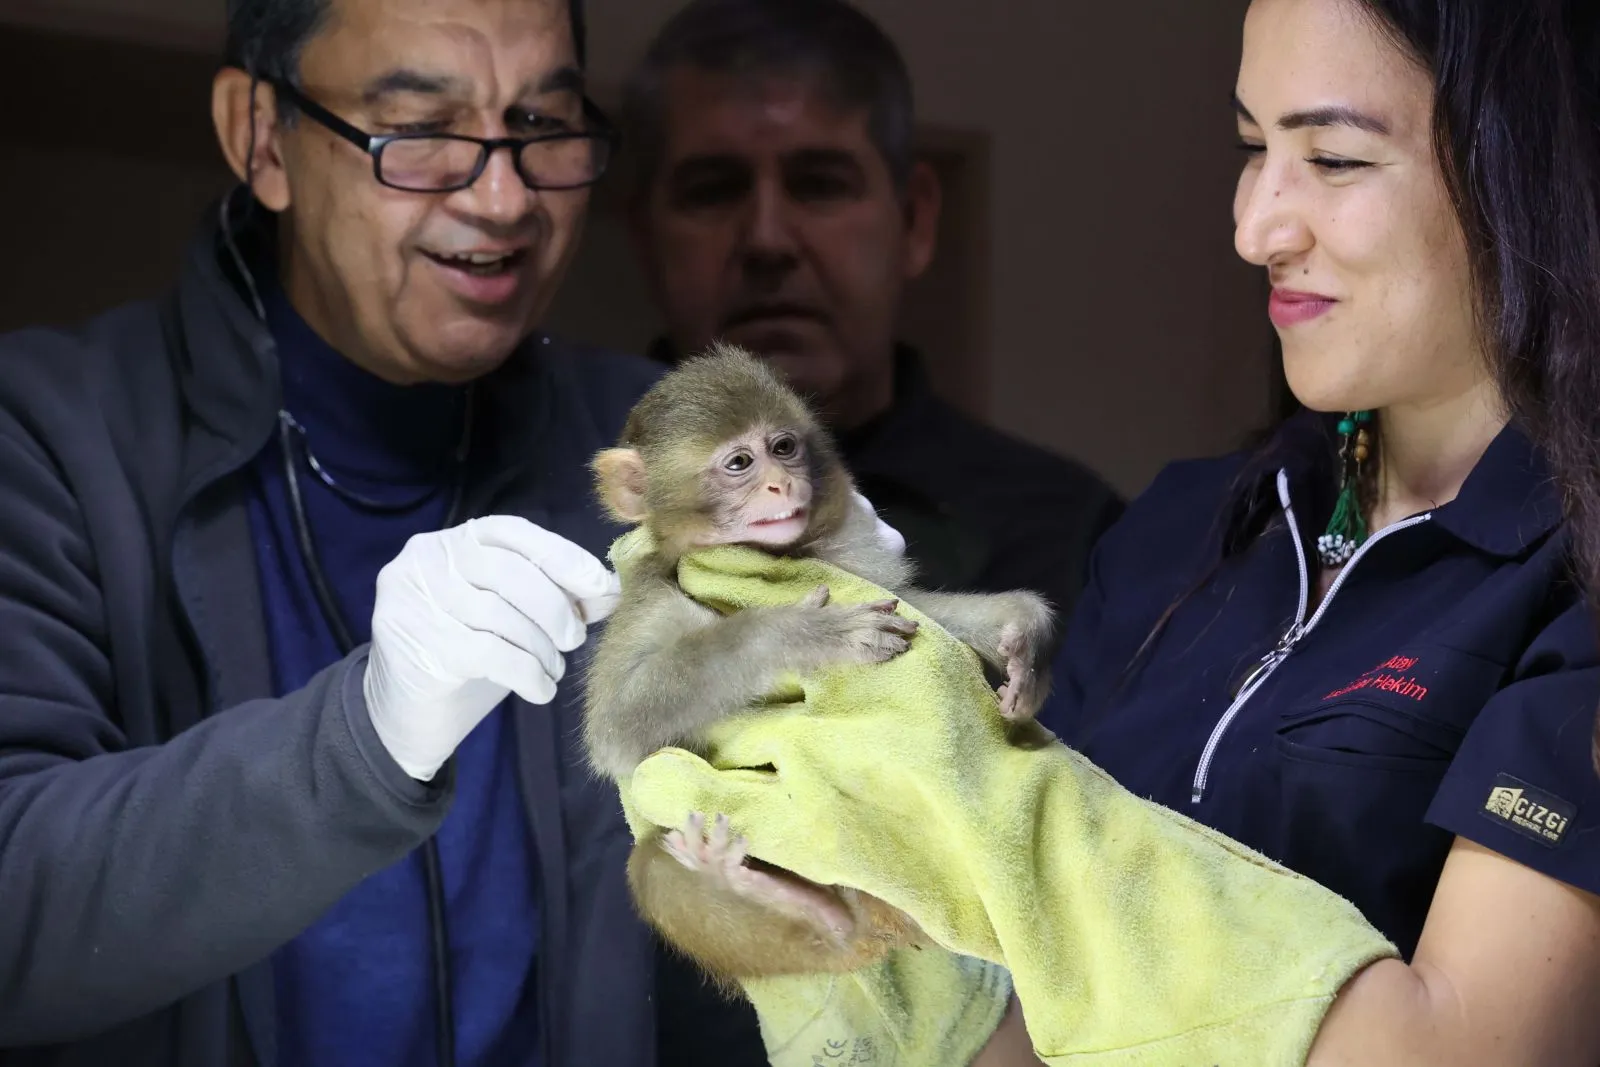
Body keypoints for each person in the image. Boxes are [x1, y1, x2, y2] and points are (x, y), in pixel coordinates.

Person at [624, 0, 1600, 1062]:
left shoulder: (1571, 577)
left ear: (1524, 171)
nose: (1255, 227)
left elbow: (1447, 1050)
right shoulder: (1181, 528)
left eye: (1331, 157)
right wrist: (850, 915)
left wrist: (986, 795)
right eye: (1250, 148)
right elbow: (1022, 1010)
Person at [0, 0, 783, 1063]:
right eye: (421, 129)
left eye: (542, 124)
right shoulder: (49, 435)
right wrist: (365, 736)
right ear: (260, 139)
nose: (502, 196)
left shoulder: (655, 448)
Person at [620, 0, 1125, 622]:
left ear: (914, 221)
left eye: (820, 184)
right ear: (643, 238)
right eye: (712, 190)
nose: (768, 239)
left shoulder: (1069, 533)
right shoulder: (565, 498)